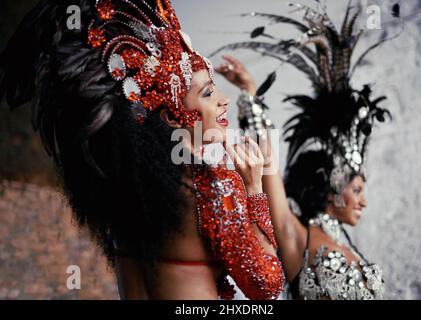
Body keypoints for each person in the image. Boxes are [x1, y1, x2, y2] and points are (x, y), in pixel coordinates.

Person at [0, 0, 284, 300]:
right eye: (208, 92)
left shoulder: (123, 190)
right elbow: (266, 287)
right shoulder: (213, 190)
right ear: (172, 117)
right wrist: (254, 191)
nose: (224, 99)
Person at [215, 2, 398, 299]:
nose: (364, 200)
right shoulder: (297, 234)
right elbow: (269, 165)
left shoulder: (348, 247)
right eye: (358, 189)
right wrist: (250, 93)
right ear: (332, 185)